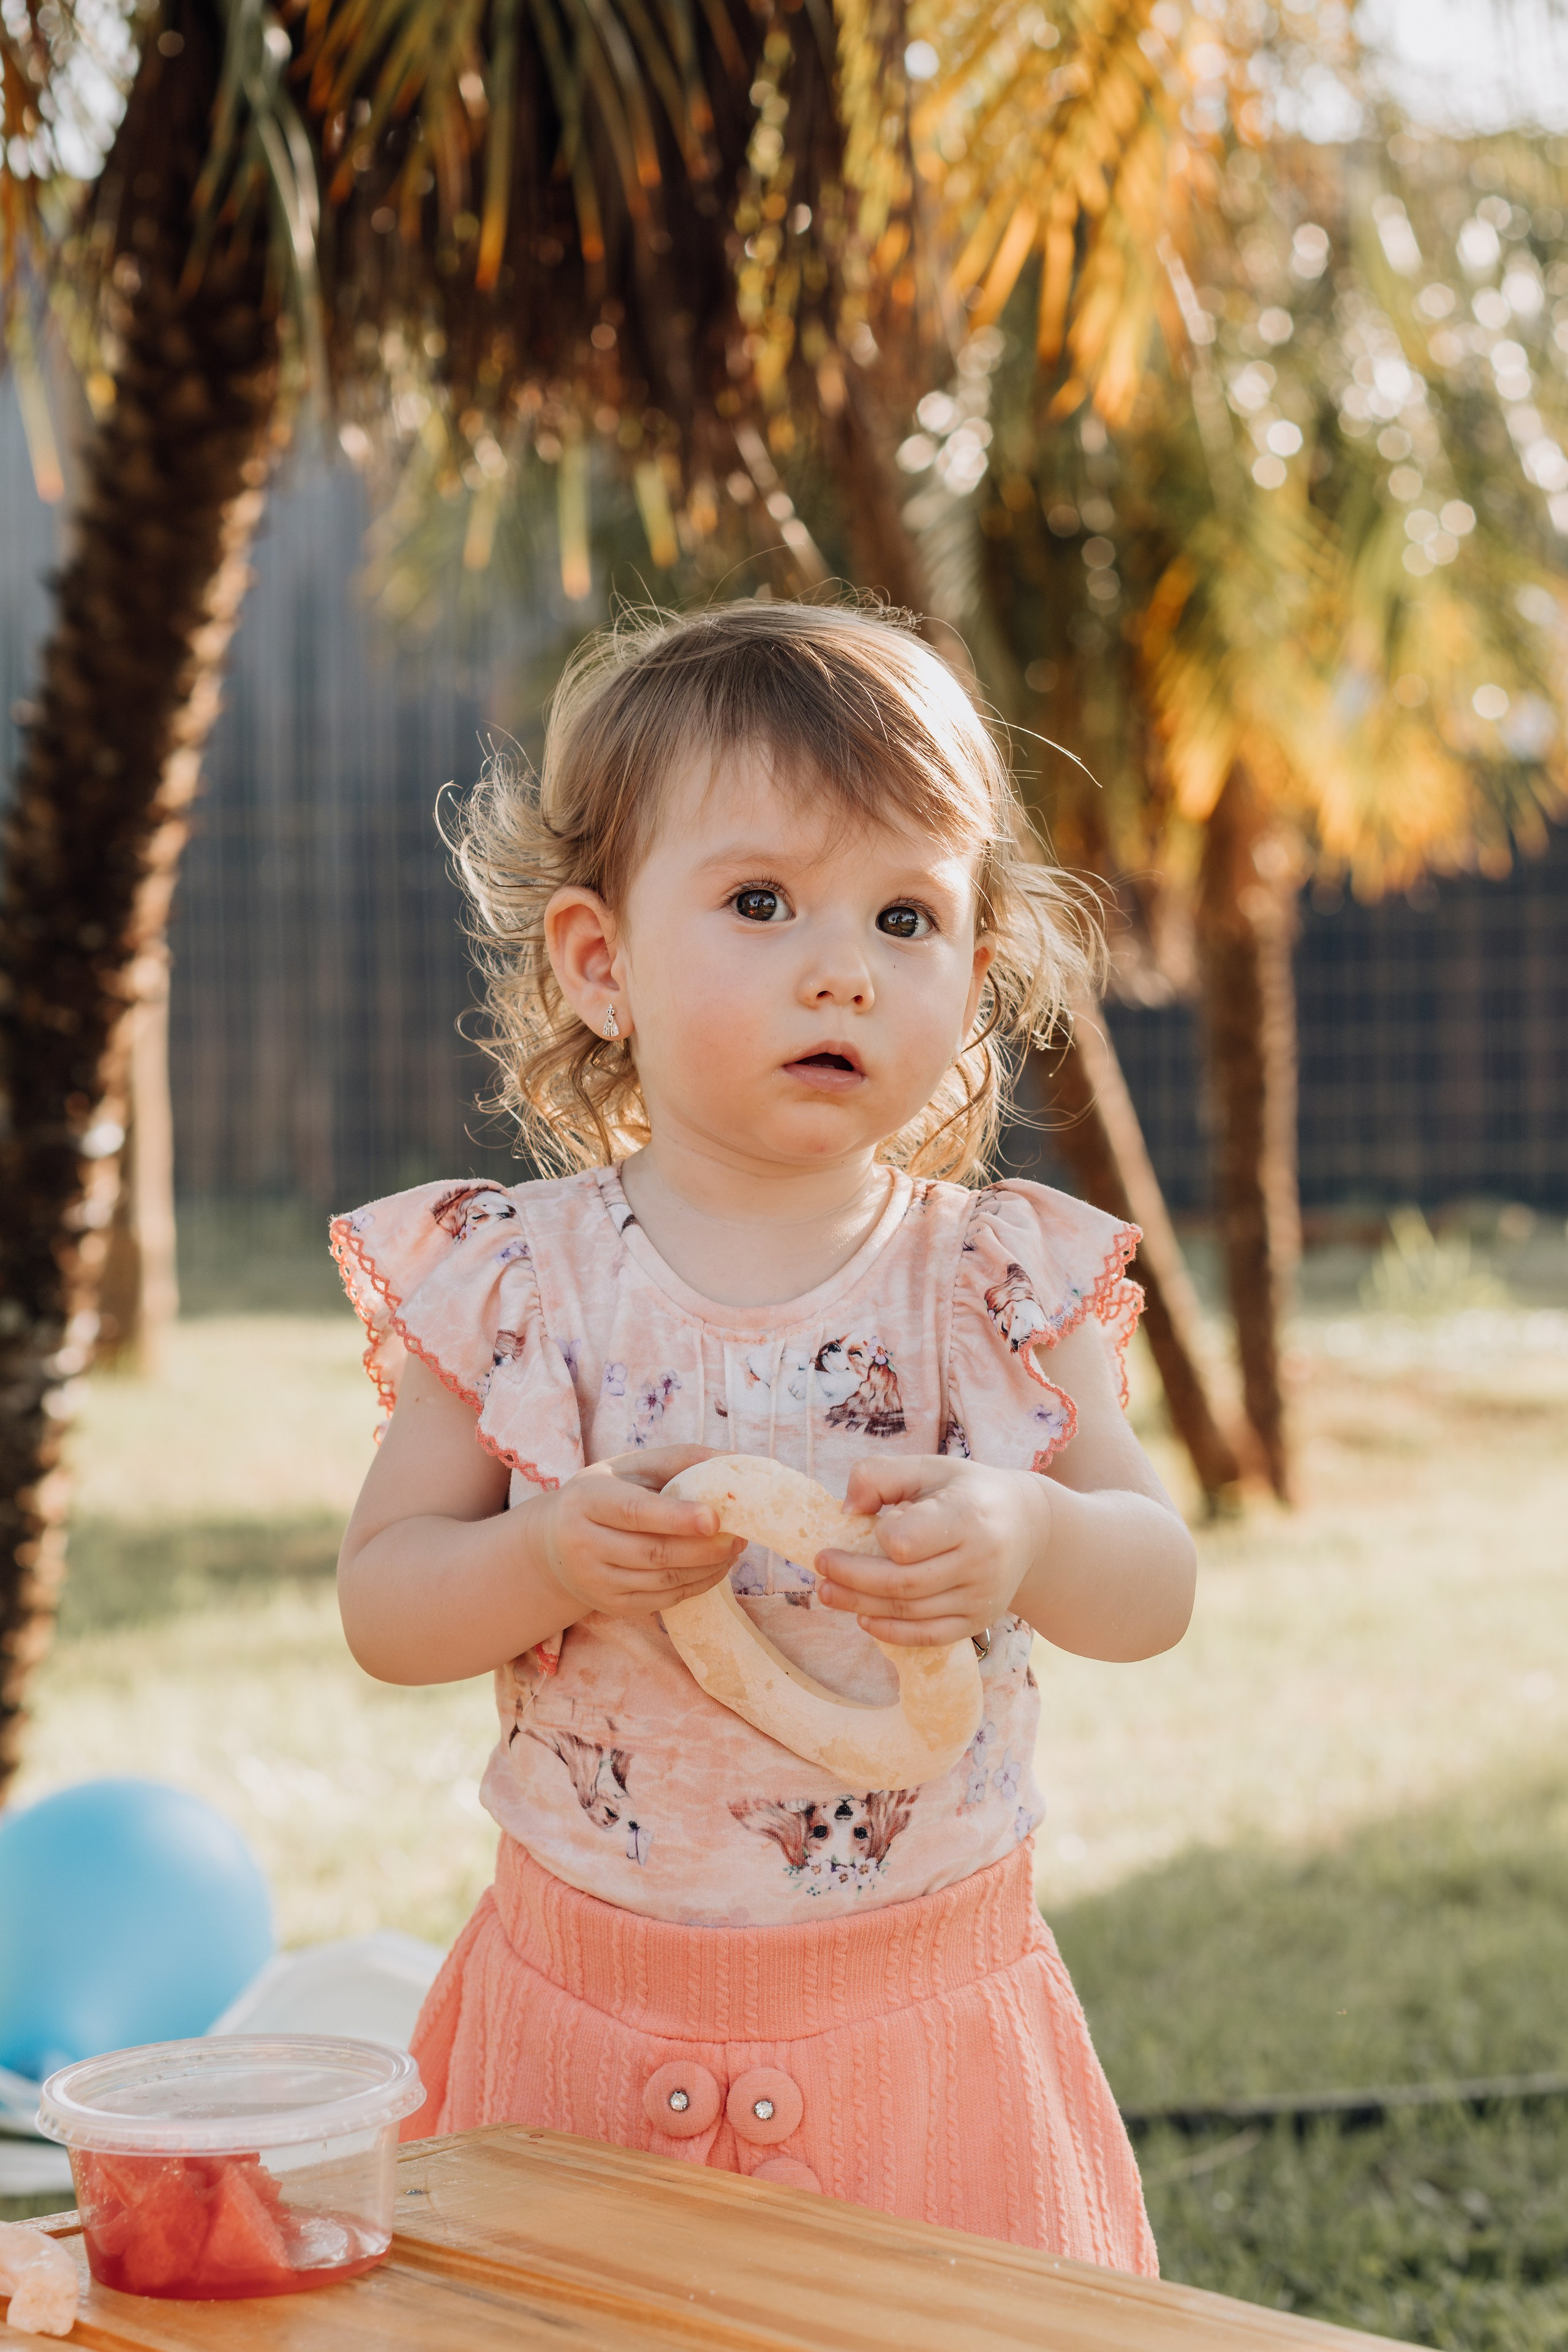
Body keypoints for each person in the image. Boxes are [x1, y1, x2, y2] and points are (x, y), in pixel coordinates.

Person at [332, 598, 1195, 2268]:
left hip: (919, 2028)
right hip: (582, 2015)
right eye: (760, 902)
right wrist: (543, 1552)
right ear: (601, 961)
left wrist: (1030, 1538)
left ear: (977, 965)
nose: (841, 967)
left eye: (904, 914)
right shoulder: (514, 1281)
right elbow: (387, 1604)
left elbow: (1151, 1583)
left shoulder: (999, 1281)